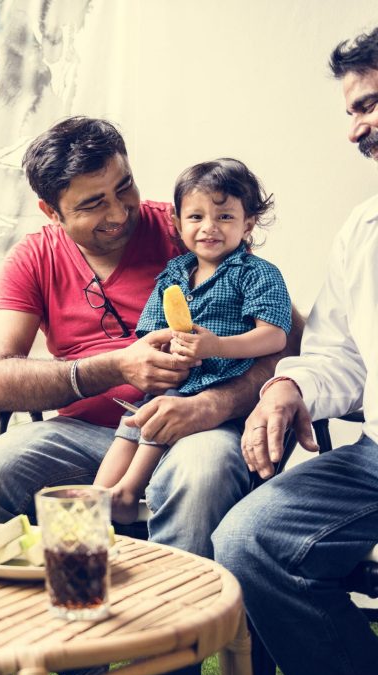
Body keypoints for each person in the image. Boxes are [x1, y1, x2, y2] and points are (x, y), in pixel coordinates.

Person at [0, 116, 299, 675]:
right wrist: (115, 366)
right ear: (51, 212)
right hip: (96, 435)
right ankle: (81, 671)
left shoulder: (186, 224)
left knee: (200, 476)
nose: (120, 212)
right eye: (93, 203)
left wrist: (213, 404)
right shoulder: (34, 258)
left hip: (201, 427)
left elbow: (289, 339)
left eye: (124, 187)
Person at [213, 27, 378, 675]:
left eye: (369, 104)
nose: (355, 129)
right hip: (375, 460)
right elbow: (339, 353)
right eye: (352, 111)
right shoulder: (363, 229)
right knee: (248, 539)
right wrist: (288, 386)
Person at [94, 158, 291, 523]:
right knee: (133, 420)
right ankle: (97, 496)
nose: (209, 227)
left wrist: (217, 346)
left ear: (248, 224)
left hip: (219, 385)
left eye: (225, 217)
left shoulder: (257, 274)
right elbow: (150, 331)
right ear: (177, 223)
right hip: (177, 378)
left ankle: (127, 492)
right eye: (196, 217)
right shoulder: (173, 274)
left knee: (160, 414)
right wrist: (165, 350)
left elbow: (275, 335)